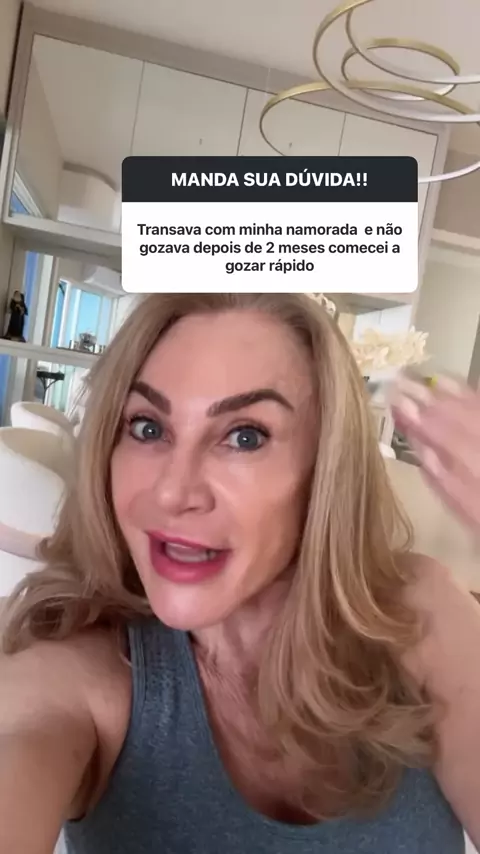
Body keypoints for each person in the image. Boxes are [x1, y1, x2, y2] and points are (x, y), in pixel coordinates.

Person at [0, 293, 479, 854]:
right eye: (148, 428)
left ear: (324, 470)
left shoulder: (419, 616)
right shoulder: (74, 676)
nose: (173, 492)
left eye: (245, 436)